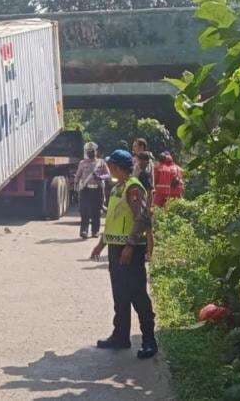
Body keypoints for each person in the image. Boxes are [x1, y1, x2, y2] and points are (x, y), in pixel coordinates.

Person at [91, 149, 157, 359]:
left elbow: (142, 218)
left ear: (117, 167)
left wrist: (129, 246)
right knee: (120, 295)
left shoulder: (133, 188)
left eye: (110, 166)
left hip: (130, 250)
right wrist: (101, 244)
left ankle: (149, 340)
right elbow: (113, 219)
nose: (108, 168)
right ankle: (120, 336)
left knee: (137, 294)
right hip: (114, 248)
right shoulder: (116, 188)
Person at [73, 142, 110, 239]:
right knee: (84, 211)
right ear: (86, 152)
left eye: (92, 151)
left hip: (97, 190)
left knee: (96, 211)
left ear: (96, 151)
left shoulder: (101, 162)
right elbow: (78, 175)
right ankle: (84, 231)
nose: (91, 153)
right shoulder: (82, 163)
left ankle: (95, 231)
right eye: (89, 152)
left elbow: (108, 175)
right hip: (85, 189)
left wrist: (100, 177)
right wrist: (76, 186)